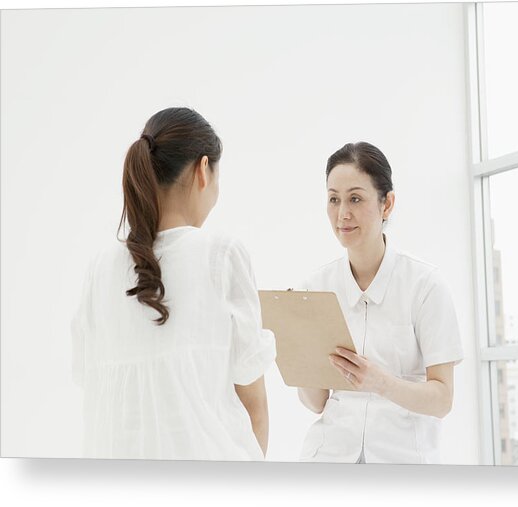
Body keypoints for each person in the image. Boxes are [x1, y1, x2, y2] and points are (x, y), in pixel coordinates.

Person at [71, 107, 275, 461]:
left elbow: (87, 379)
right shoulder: (220, 254)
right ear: (202, 170)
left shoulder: (99, 269)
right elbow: (254, 404)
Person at [297, 142, 463, 464]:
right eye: (334, 199)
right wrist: (298, 354)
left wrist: (381, 383)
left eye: (355, 198)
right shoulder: (316, 287)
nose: (343, 213)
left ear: (387, 204)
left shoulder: (425, 285)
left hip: (401, 461)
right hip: (328, 459)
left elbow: (442, 399)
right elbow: (316, 402)